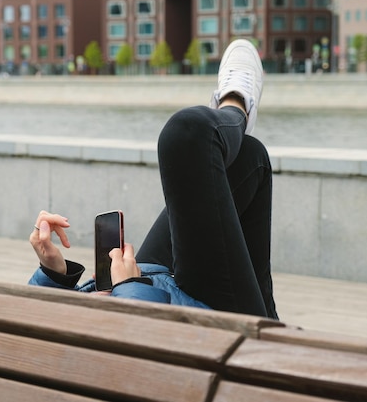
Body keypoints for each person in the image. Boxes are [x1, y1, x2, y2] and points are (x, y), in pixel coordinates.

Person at [28, 39, 278, 320]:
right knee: (190, 135)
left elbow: (25, 324)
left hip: (126, 301)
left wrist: (53, 274)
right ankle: (235, 104)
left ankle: (266, 323)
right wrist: (129, 289)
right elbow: (131, 348)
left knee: (246, 157)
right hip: (184, 327)